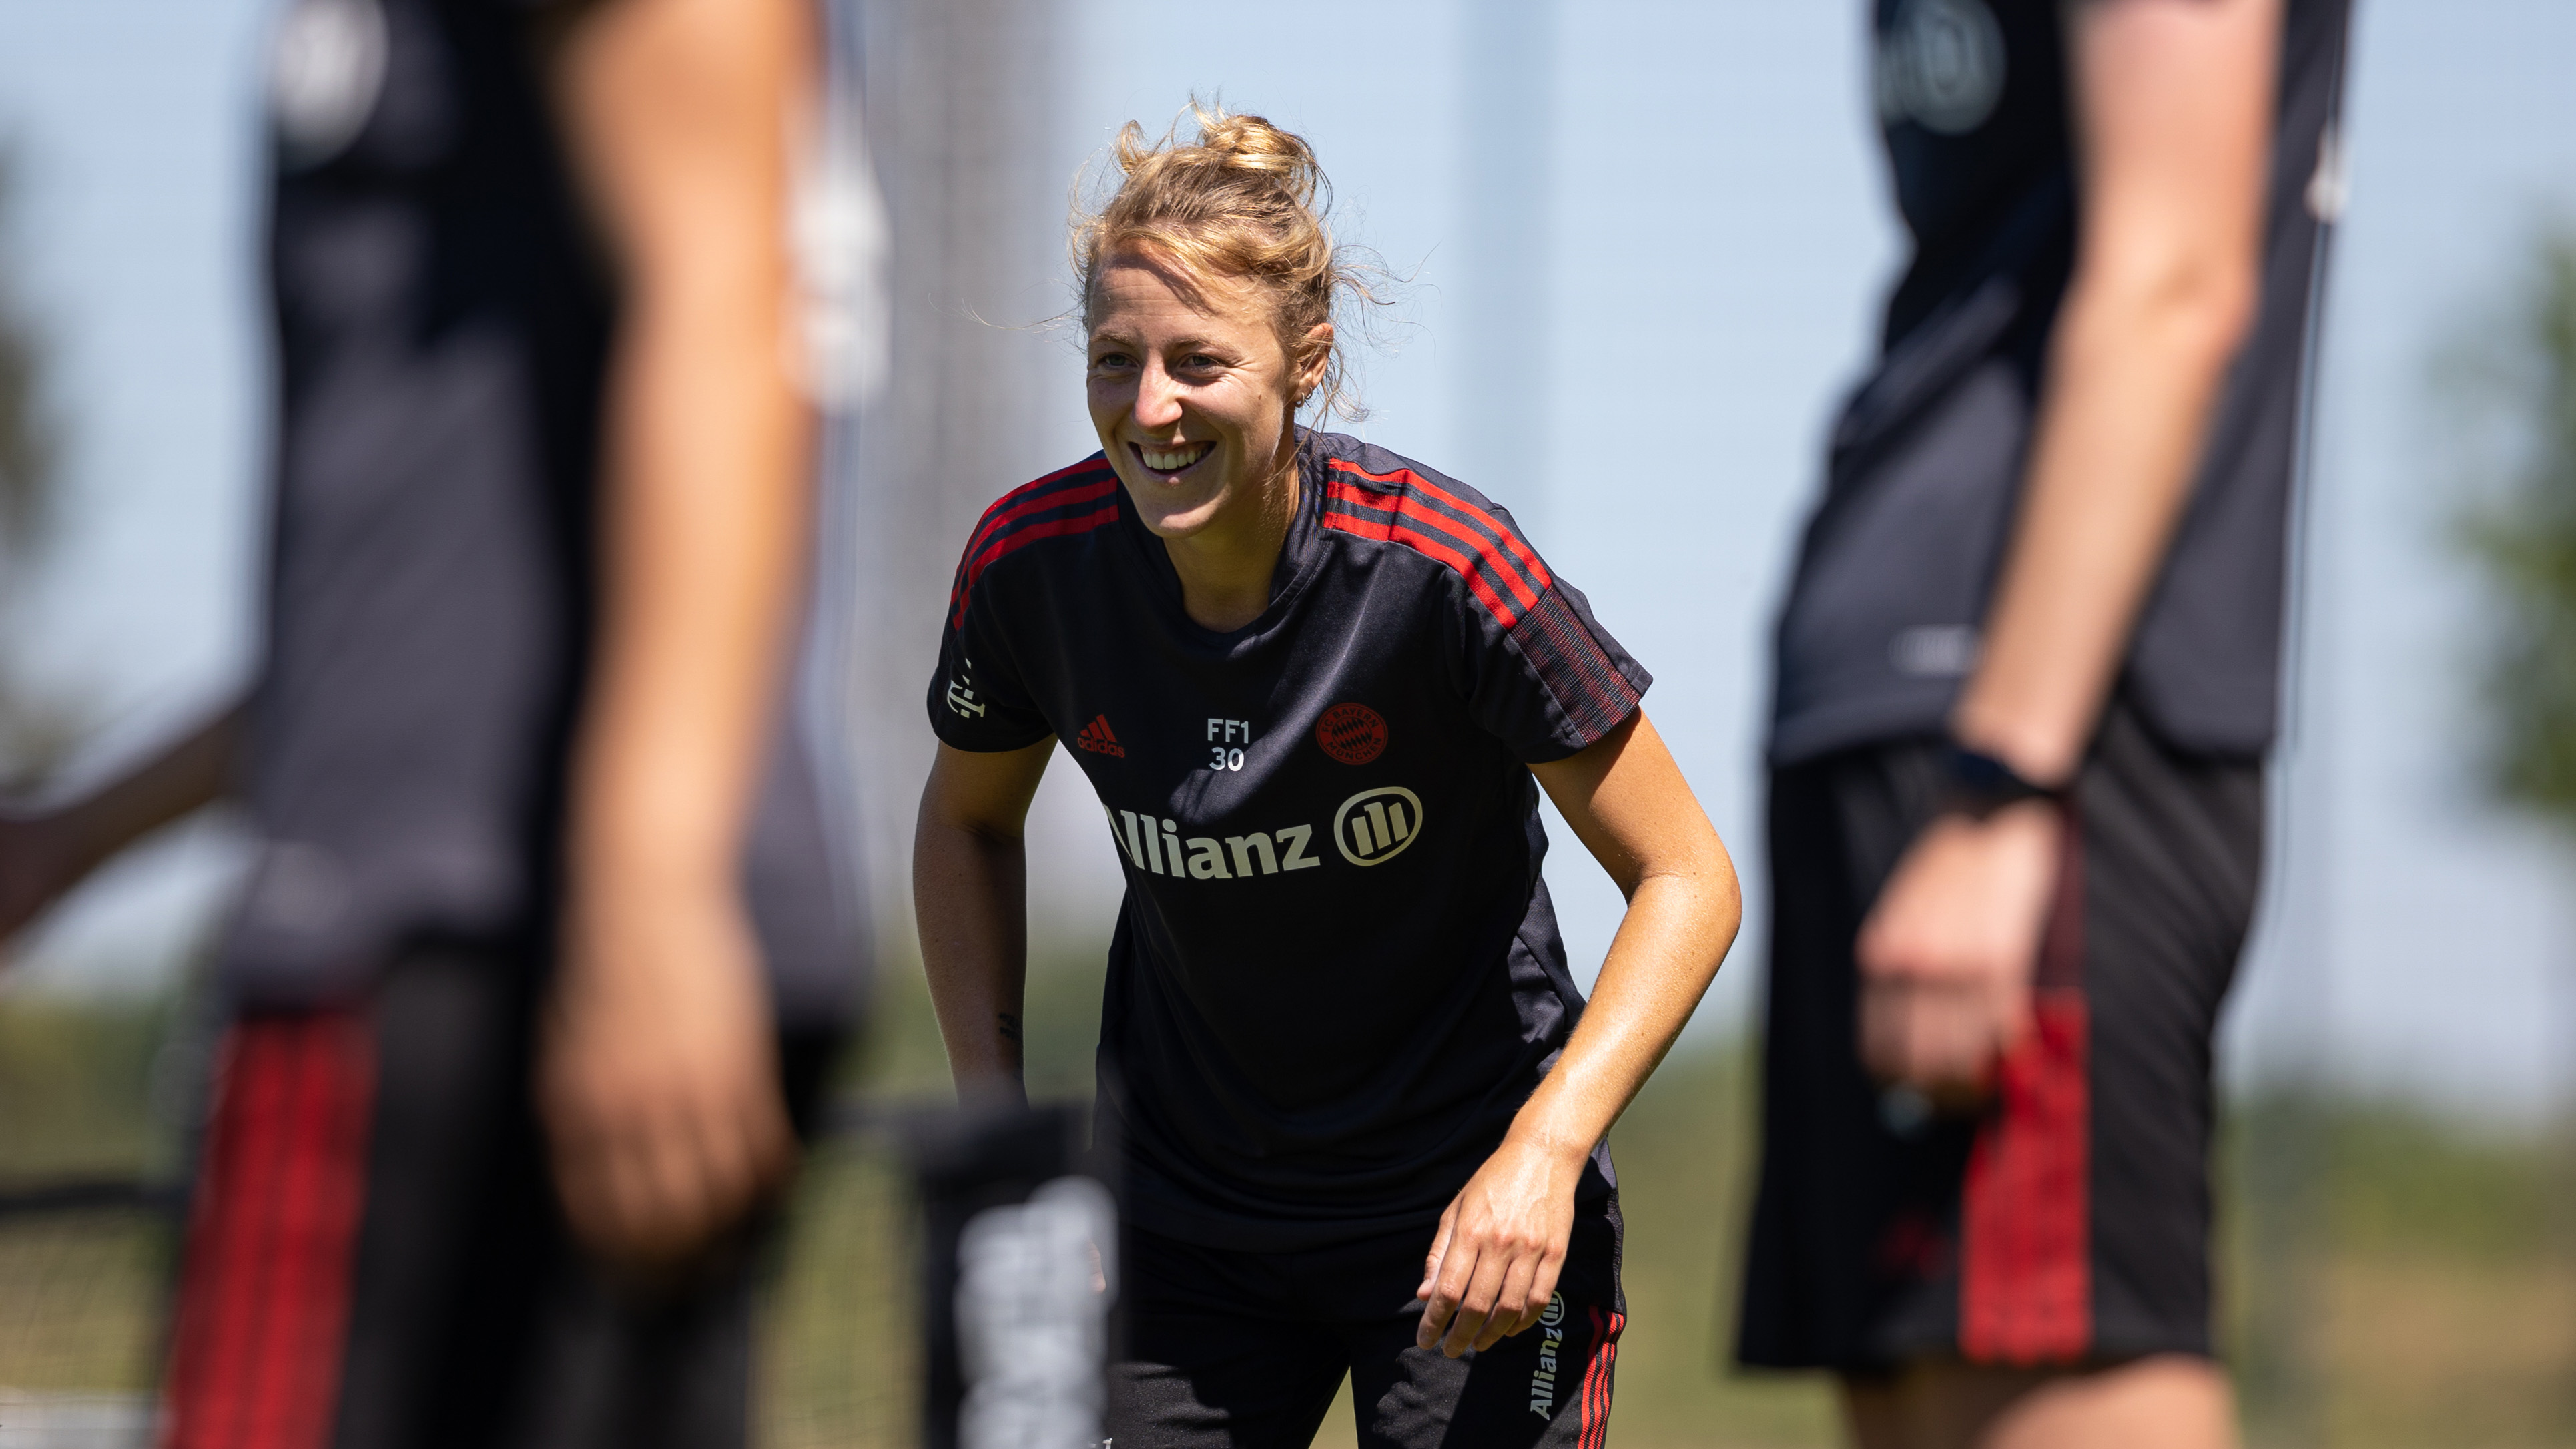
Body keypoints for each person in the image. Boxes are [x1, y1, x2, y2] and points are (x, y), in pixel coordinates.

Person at [0, 0, 863, 1444]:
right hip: (500, 930)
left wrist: (650, 879)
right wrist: (73, 843)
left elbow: (722, 292)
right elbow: (432, 610)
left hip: (459, 958)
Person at [912, 106, 1742, 1449]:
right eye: (1115, 361)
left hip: (1467, 1213)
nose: (1151, 407)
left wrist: (1539, 1158)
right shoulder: (1028, 568)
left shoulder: (1448, 571)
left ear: (1304, 362)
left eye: (1197, 362)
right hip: (1178, 1227)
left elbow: (1689, 878)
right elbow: (964, 824)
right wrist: (1008, 1150)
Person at [1737, 1, 2352, 1446]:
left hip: (2030, 723)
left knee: (2059, 1366)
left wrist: (2001, 784)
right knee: (1918, 1381)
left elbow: (2171, 287)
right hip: (1885, 705)